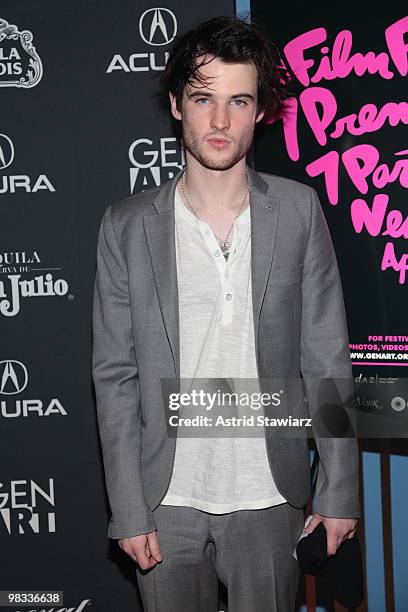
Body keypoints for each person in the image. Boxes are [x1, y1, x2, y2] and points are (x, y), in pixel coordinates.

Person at [92, 15, 360, 612]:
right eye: (203, 98)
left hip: (271, 496)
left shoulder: (298, 211)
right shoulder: (127, 226)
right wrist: (128, 506)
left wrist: (338, 489)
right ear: (175, 105)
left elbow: (326, 360)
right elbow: (114, 377)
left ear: (260, 109)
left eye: (238, 100)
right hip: (165, 503)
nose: (219, 121)